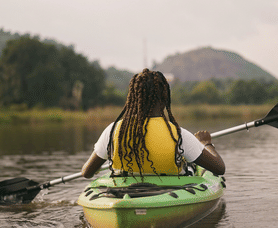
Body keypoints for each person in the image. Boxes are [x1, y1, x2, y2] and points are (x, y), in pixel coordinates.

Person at [81, 69, 225, 179]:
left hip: (123, 192)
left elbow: (86, 173)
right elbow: (219, 168)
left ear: (133, 98)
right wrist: (206, 143)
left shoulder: (113, 131)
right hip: (169, 195)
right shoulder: (178, 135)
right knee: (192, 166)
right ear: (164, 99)